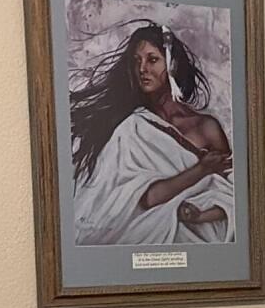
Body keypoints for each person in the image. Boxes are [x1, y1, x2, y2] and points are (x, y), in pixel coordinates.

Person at [70, 21, 236, 245]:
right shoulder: (133, 127)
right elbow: (148, 198)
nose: (142, 69)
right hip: (149, 237)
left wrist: (199, 215)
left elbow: (232, 195)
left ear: (172, 65)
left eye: (153, 60)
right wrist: (201, 169)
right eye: (137, 61)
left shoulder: (206, 127)